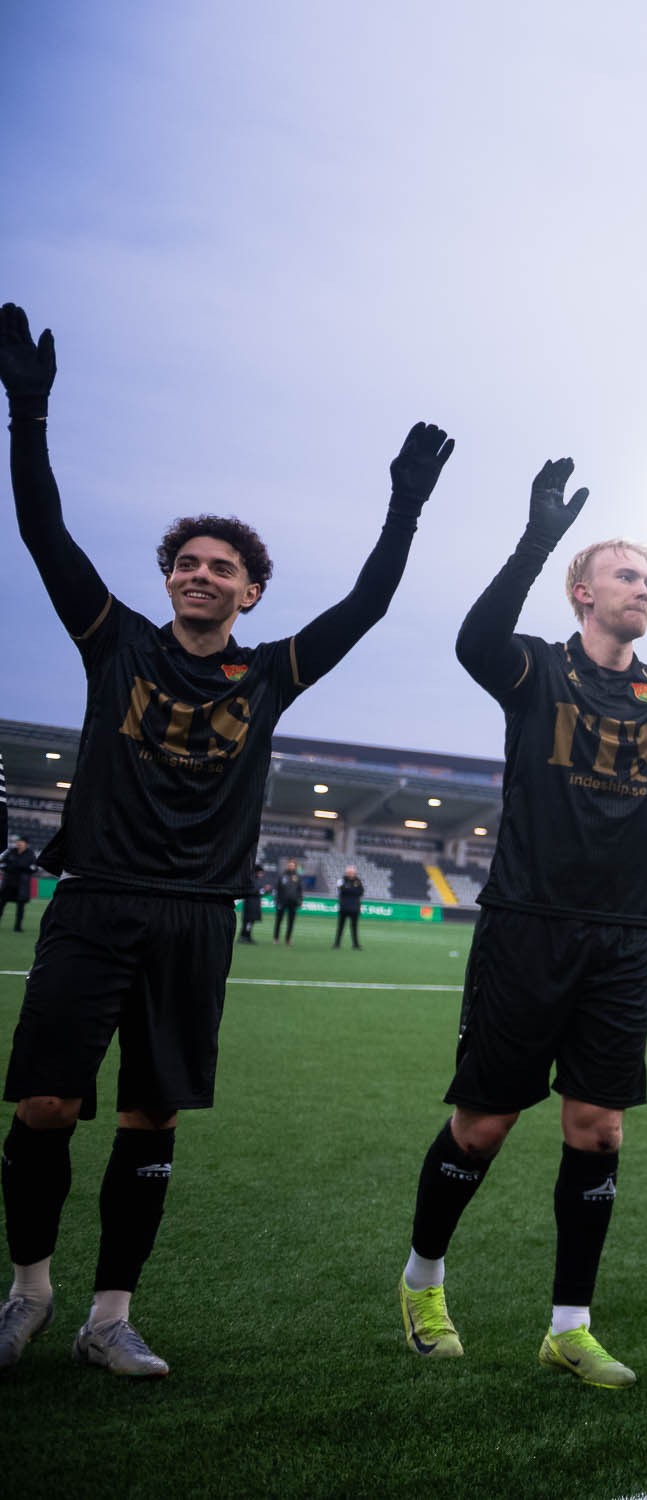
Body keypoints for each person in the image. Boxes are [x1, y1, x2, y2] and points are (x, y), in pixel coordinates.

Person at [0, 300, 451, 1378]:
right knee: (47, 1104)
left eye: (222, 568)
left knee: (151, 1118)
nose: (201, 574)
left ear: (250, 592)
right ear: (168, 578)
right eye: (187, 563)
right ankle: (28, 1294)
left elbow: (369, 605)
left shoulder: (273, 672)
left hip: (198, 918)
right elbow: (45, 535)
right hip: (95, 899)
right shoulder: (114, 642)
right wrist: (29, 417)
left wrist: (404, 508)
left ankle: (110, 1318)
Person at [390, 459, 647, 1389]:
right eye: (625, 575)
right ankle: (422, 1281)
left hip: (622, 938)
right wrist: (537, 539)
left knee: (598, 1131)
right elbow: (473, 641)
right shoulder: (536, 669)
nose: (643, 589)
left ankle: (568, 1327)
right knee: (483, 1127)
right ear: (583, 593)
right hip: (526, 927)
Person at [0, 835, 35, 932]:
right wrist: (10, 867)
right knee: (1, 904)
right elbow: (2, 864)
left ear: (26, 844)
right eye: (18, 842)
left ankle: (18, 927)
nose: (19, 843)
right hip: (8, 884)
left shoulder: (30, 854)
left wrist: (19, 867)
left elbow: (34, 867)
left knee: (20, 907)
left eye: (21, 842)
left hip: (21, 885)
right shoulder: (10, 852)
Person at [273, 858, 304, 947]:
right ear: (287, 866)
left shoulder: (297, 877)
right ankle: (276, 938)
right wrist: (276, 900)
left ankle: (288, 939)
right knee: (279, 921)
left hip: (293, 902)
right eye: (290, 865)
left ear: (295, 867)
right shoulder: (282, 876)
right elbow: (277, 889)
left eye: (293, 865)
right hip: (282, 901)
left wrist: (300, 900)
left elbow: (300, 890)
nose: (291, 867)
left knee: (291, 922)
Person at [334, 866, 365, 949]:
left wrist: (349, 889)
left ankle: (355, 944)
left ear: (355, 873)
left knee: (354, 927)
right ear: (346, 873)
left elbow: (361, 892)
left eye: (352, 872)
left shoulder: (358, 881)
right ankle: (337, 943)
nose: (351, 874)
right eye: (349, 872)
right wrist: (353, 890)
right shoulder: (341, 880)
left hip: (355, 908)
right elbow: (342, 890)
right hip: (344, 907)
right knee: (340, 927)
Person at [237, 863, 264, 944]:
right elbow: (253, 890)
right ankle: (246, 937)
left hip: (252, 904)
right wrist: (261, 890)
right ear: (258, 872)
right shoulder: (253, 880)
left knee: (248, 922)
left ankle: (245, 936)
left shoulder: (253, 879)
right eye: (261, 872)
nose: (262, 874)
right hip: (251, 904)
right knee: (249, 922)